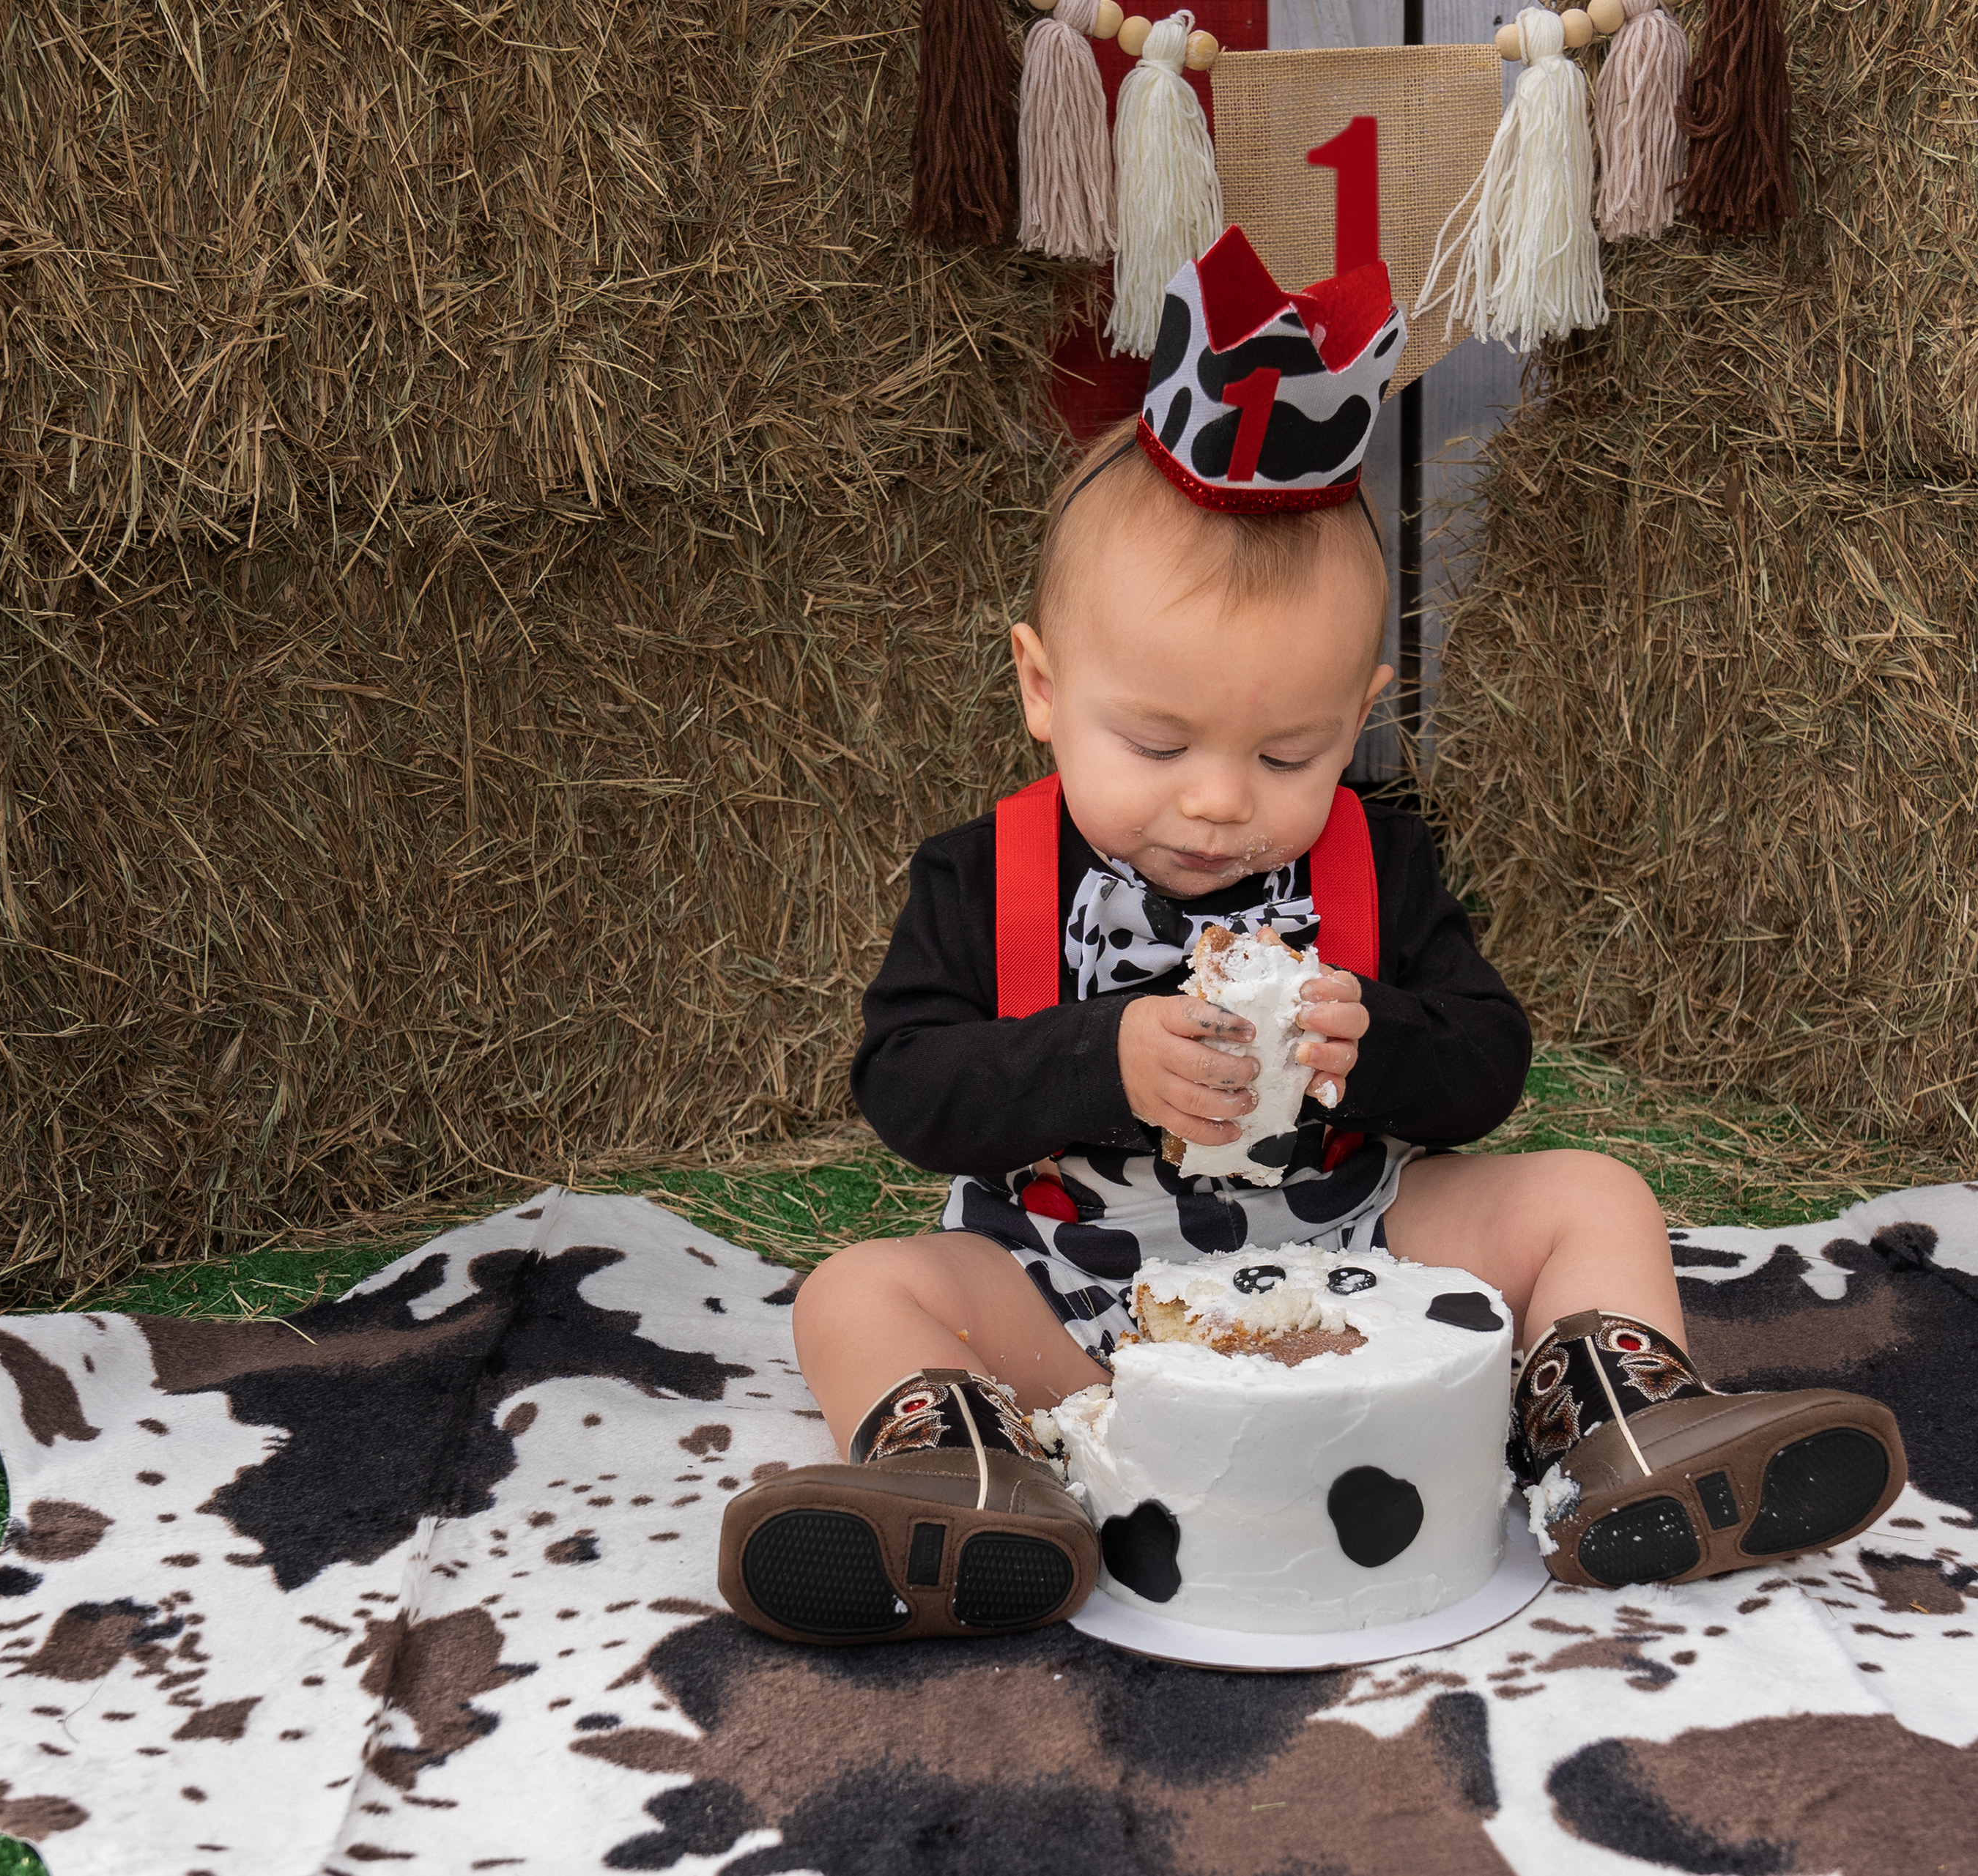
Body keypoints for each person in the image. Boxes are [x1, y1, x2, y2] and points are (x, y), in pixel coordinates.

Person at [716, 229, 1903, 1647]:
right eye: (1157, 743)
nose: (1220, 802)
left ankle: (1615, 1424)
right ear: (1041, 686)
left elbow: (1489, 1064)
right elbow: (907, 1087)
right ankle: (968, 1474)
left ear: (1359, 717)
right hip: (1073, 1302)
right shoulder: (991, 874)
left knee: (1594, 1193)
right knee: (858, 1289)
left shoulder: (1372, 862)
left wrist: (1376, 1042)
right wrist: (1103, 1060)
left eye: (1288, 755)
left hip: (1358, 1263)